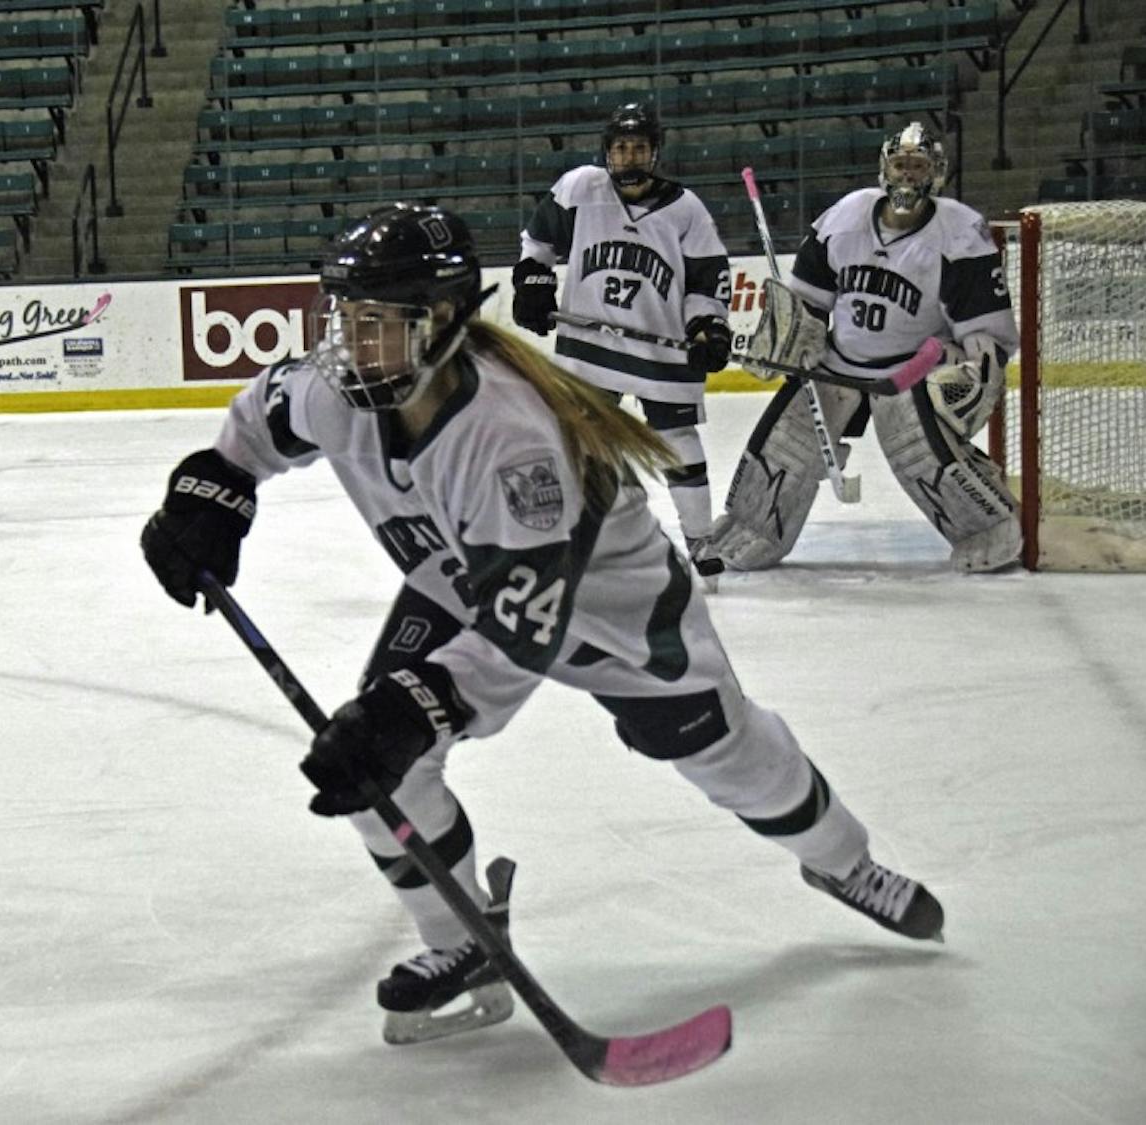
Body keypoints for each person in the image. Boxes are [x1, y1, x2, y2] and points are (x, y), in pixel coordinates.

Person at [140, 203, 945, 1047]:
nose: (348, 343)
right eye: (342, 317)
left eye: (375, 322)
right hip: (465, 584)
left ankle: (845, 860)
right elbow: (255, 426)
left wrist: (415, 707)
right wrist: (211, 491)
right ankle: (461, 945)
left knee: (726, 750)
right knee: (383, 768)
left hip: (613, 608)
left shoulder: (509, 438)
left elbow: (522, 626)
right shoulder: (337, 389)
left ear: (443, 323)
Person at [711, 122, 1022, 573]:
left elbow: (985, 330)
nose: (908, 175)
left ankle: (986, 525)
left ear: (938, 173)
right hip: (839, 361)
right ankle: (753, 524)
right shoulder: (846, 216)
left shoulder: (959, 233)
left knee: (916, 449)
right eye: (900, 164)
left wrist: (976, 372)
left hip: (914, 370)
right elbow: (808, 303)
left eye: (919, 166)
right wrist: (794, 335)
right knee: (785, 443)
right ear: (884, 169)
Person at [512, 102, 734, 589]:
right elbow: (537, 241)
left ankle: (699, 540)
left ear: (654, 152)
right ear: (606, 152)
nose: (628, 157)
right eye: (620, 148)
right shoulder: (580, 188)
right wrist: (531, 279)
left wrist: (707, 327)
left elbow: (708, 278)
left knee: (677, 445)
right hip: (591, 346)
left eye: (638, 148)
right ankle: (576, 542)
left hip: (662, 352)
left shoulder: (686, 209)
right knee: (580, 445)